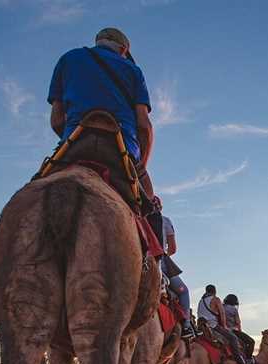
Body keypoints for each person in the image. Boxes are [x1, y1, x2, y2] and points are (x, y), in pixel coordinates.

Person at [46, 27, 156, 203]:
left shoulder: (67, 59)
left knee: (36, 186)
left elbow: (57, 121)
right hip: (121, 149)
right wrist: (140, 167)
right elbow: (144, 126)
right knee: (150, 207)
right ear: (123, 50)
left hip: (74, 143)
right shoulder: (133, 70)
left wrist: (76, 137)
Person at [197, 285, 254, 364]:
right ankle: (240, 361)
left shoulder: (201, 301)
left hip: (200, 326)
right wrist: (224, 326)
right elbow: (222, 314)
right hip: (212, 325)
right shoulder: (216, 299)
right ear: (214, 291)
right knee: (233, 338)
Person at [161, 211, 194, 338]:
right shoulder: (165, 221)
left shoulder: (139, 217)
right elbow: (173, 249)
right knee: (183, 291)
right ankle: (186, 326)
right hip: (159, 261)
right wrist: (164, 257)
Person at [223, 294, 255, 359]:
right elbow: (238, 323)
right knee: (251, 342)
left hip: (222, 330)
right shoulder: (234, 310)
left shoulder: (221, 307)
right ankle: (248, 359)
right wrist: (240, 331)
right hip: (232, 331)